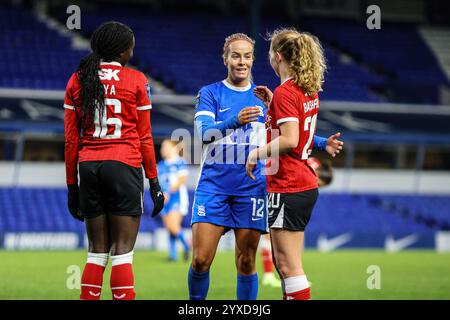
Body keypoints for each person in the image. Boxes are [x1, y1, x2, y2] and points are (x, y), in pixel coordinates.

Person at [189, 33, 342, 300]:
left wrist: (320, 142)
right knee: (201, 260)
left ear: (254, 60)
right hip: (214, 186)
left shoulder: (264, 96)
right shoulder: (210, 93)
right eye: (235, 55)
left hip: (252, 186)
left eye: (247, 56)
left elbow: (286, 132)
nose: (241, 61)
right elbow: (203, 135)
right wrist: (234, 121)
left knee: (247, 261)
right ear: (225, 59)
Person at [64, 21, 164, 300]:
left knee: (96, 252)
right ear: (122, 51)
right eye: (131, 44)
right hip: (124, 164)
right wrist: (154, 182)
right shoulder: (136, 80)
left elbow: (71, 140)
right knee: (122, 252)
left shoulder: (78, 79)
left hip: (89, 166)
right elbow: (145, 138)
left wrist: (72, 187)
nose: (133, 48)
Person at [247, 28, 334, 300]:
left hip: (288, 184)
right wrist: (273, 104)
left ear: (279, 56)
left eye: (271, 53)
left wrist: (255, 154)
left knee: (288, 266)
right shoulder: (304, 90)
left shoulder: (287, 92)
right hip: (304, 183)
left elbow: (290, 140)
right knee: (288, 267)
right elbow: (296, 129)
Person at [260, 157, 335, 288]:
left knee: (277, 234)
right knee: (272, 234)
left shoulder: (312, 162)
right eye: (319, 184)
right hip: (277, 190)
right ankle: (273, 275)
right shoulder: (308, 169)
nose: (317, 187)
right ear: (317, 175)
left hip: (275, 187)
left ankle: (285, 275)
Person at [158, 139, 190, 262]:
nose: (162, 150)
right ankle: (173, 255)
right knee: (169, 228)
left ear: (173, 148)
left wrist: (168, 192)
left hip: (177, 198)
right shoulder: (161, 164)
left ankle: (187, 245)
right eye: (162, 147)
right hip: (164, 199)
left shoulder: (179, 162)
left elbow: (181, 180)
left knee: (173, 226)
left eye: (165, 147)